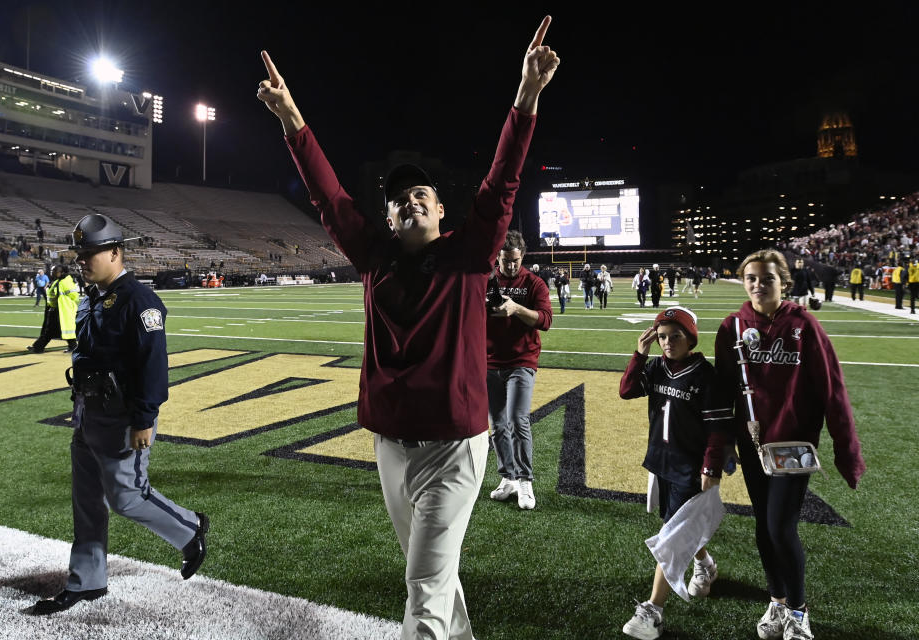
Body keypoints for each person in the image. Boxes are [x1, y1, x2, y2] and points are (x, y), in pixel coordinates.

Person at [257, 17, 559, 640]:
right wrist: (293, 120)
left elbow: (502, 183)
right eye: (398, 198)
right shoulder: (375, 257)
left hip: (452, 447)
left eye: (421, 193)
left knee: (421, 592)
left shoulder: (471, 252)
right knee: (434, 581)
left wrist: (525, 98)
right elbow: (329, 197)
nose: (410, 200)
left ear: (441, 208)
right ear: (389, 216)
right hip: (391, 446)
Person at [32, 214, 209, 615]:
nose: (82, 259)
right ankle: (87, 580)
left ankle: (189, 530)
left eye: (90, 252)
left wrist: (144, 418)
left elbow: (153, 364)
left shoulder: (138, 300)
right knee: (88, 501)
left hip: (123, 416)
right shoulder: (91, 295)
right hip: (88, 411)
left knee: (128, 497)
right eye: (80, 253)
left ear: (115, 252)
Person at [714, 249, 865, 640]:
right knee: (764, 528)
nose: (758, 285)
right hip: (753, 445)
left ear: (784, 281)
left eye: (767, 278)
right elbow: (723, 392)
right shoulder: (731, 328)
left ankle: (798, 611)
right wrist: (724, 443)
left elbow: (832, 390)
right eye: (751, 278)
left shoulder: (805, 325)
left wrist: (846, 450)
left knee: (781, 527)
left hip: (795, 444)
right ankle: (777, 600)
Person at [619, 306, 733, 640]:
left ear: (691, 338)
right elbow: (626, 390)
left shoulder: (704, 375)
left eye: (676, 336)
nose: (668, 343)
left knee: (671, 537)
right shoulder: (656, 367)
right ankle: (705, 563)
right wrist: (640, 354)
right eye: (663, 336)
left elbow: (717, 428)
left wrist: (710, 468)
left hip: (690, 466)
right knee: (672, 523)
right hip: (660, 460)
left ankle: (653, 610)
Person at [486, 231, 553, 510]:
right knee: (497, 423)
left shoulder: (534, 283)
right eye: (505, 261)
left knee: (517, 418)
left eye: (515, 261)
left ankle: (525, 479)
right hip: (489, 361)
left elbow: (546, 320)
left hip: (522, 361)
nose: (510, 266)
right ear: (497, 258)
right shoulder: (486, 281)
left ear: (522, 257)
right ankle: (508, 477)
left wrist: (516, 309)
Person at [27, 265, 80, 354]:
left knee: (50, 331)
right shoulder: (58, 281)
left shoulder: (65, 282)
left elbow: (75, 297)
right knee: (54, 330)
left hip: (61, 310)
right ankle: (73, 346)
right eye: (52, 271)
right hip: (55, 309)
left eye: (55, 271)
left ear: (62, 272)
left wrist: (63, 304)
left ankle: (38, 348)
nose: (53, 272)